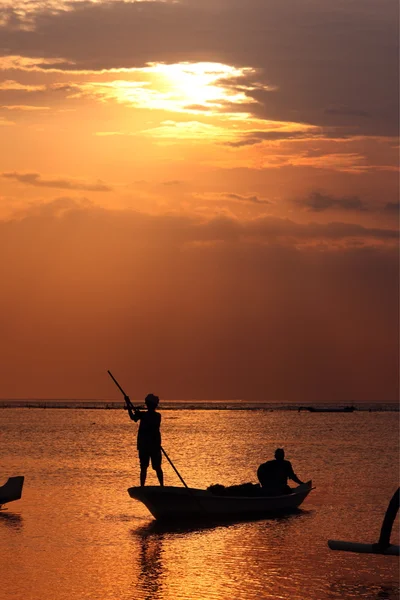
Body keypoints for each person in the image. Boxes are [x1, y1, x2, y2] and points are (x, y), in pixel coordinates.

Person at [125, 393, 164, 487]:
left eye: (148, 404)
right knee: (144, 467)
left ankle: (162, 485)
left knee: (157, 467)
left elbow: (141, 418)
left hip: (153, 446)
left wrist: (137, 412)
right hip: (144, 446)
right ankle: (142, 486)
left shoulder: (157, 416)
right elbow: (133, 418)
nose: (147, 406)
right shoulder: (143, 415)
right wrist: (128, 404)